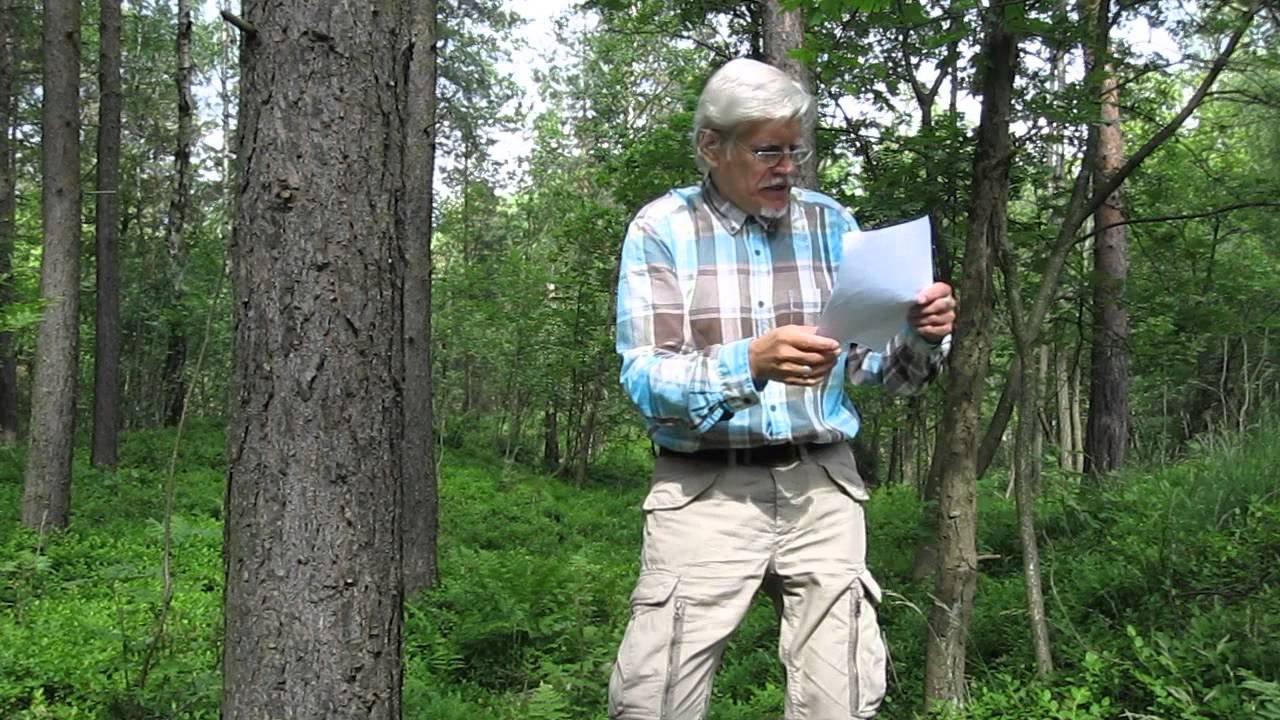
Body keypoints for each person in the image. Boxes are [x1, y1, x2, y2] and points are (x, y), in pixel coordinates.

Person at [607, 58, 956, 720]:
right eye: (769, 150)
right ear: (713, 146)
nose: (788, 168)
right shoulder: (662, 229)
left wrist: (923, 336)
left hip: (824, 489)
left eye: (796, 151)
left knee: (841, 699)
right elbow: (645, 378)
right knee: (655, 700)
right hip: (703, 491)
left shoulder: (832, 225)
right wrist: (749, 363)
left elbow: (881, 372)